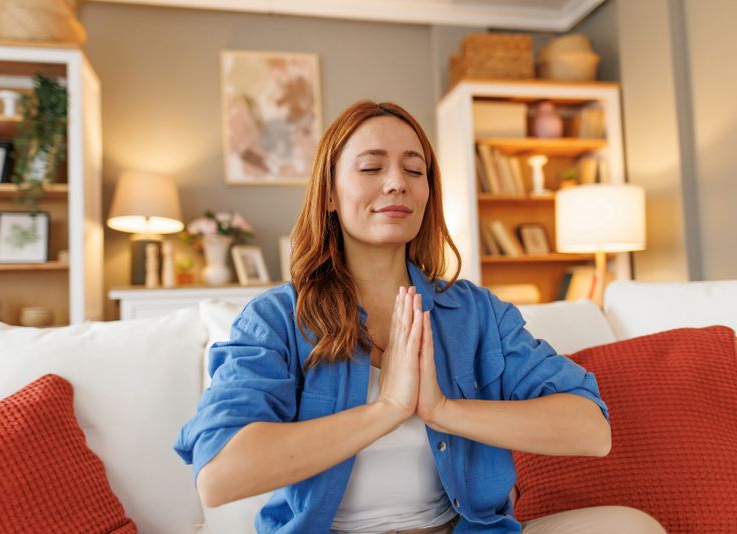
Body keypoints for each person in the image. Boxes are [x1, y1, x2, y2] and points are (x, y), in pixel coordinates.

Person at [174, 101, 666, 534]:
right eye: (371, 168)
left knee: (630, 526)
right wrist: (387, 408)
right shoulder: (277, 318)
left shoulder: (473, 312)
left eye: (415, 170)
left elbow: (590, 430)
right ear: (328, 195)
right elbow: (219, 475)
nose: (397, 183)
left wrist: (441, 409)